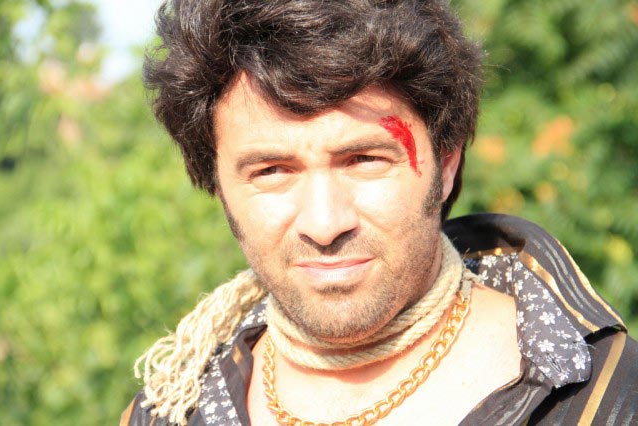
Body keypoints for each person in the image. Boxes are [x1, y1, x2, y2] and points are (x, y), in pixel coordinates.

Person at [120, 1, 638, 425]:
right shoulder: (170, 411)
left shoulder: (608, 395)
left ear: (447, 163)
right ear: (218, 186)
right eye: (273, 171)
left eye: (364, 160)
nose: (324, 224)